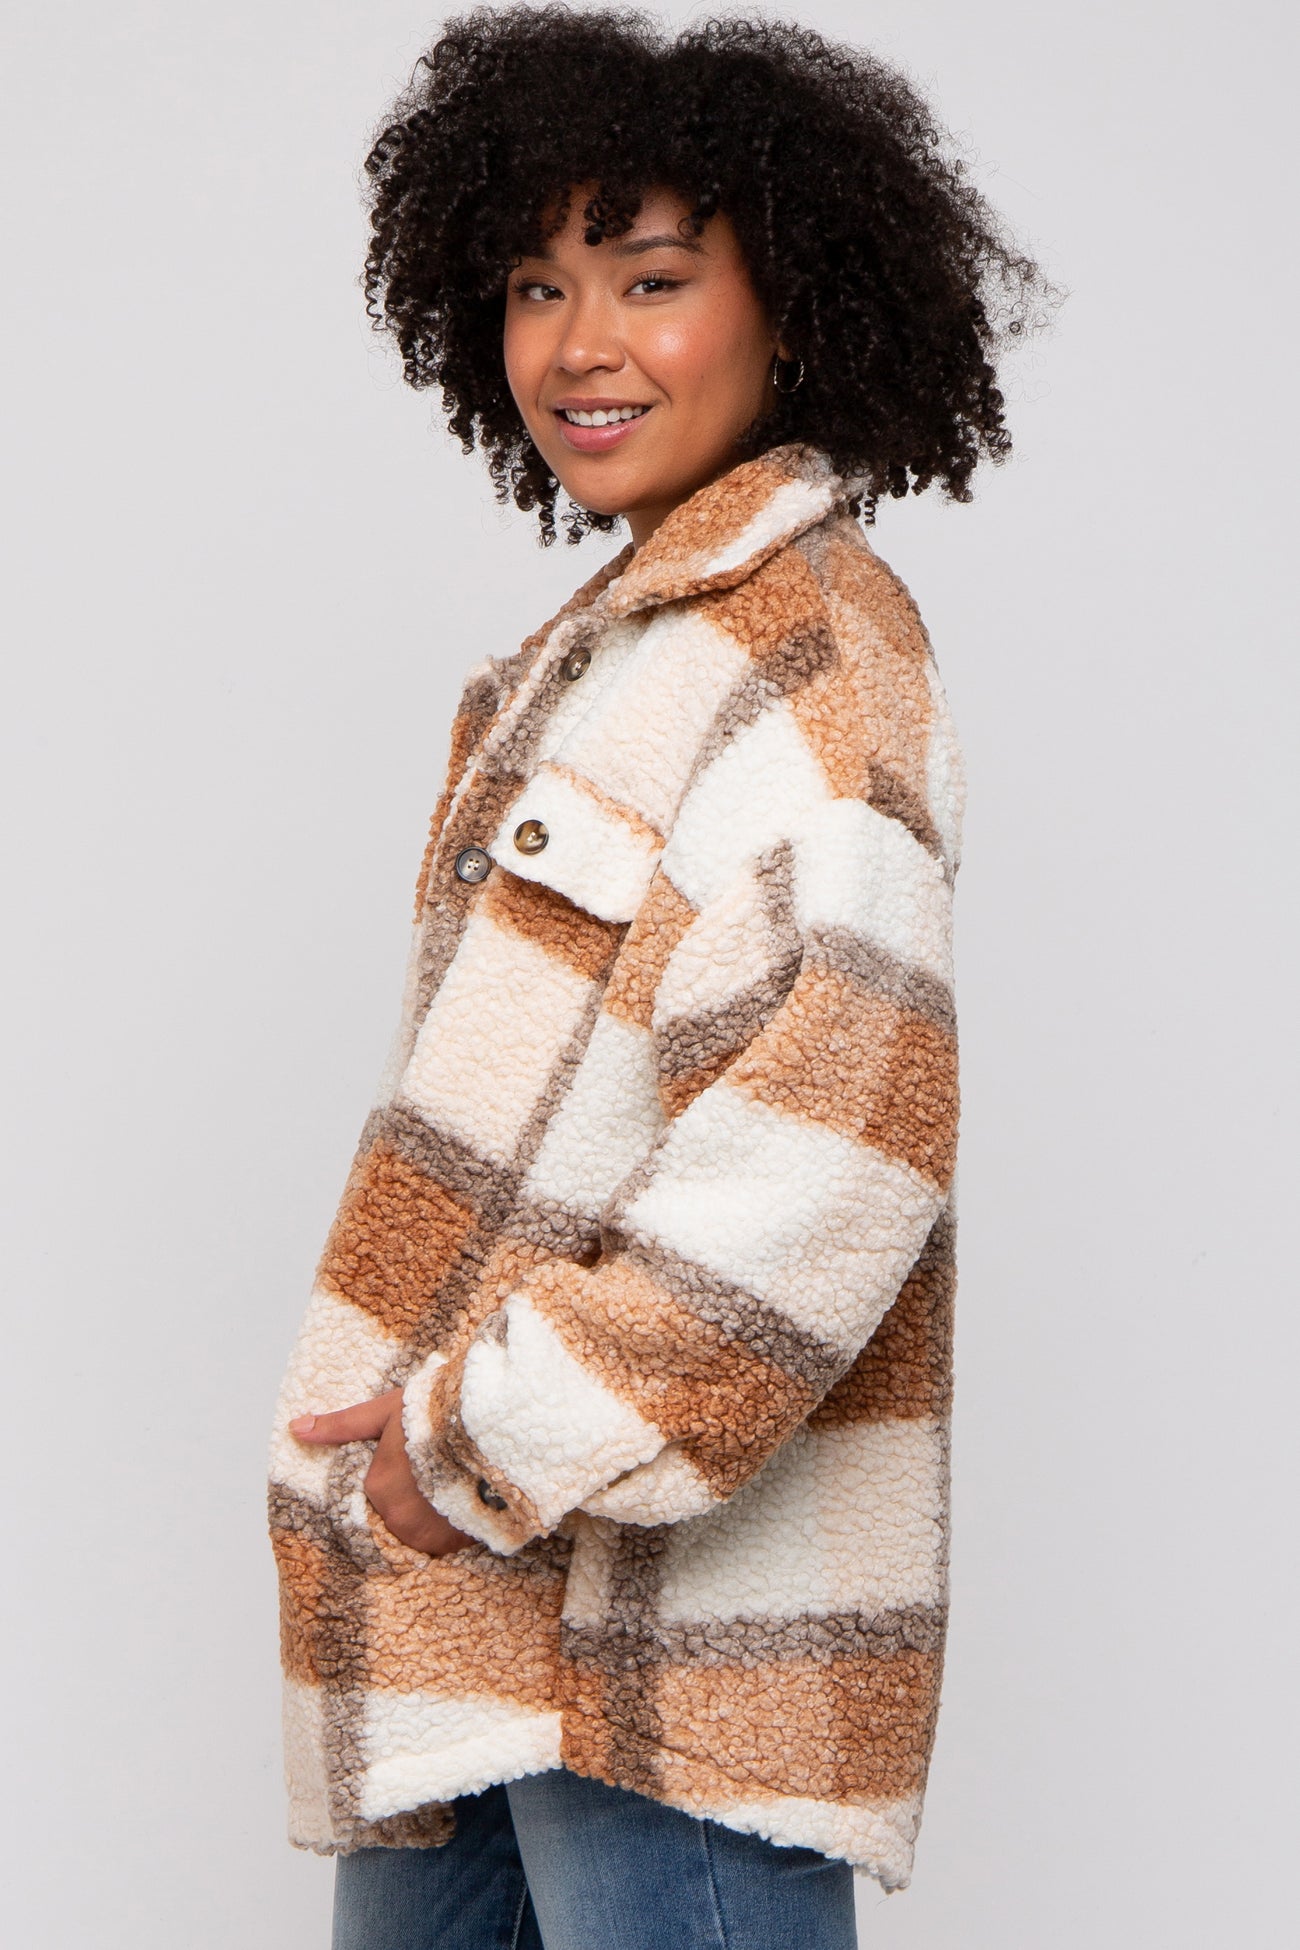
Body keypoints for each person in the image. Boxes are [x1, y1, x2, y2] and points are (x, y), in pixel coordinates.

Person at [268, 10, 1044, 1946]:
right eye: (538, 285)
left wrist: (485, 1442)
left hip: (675, 1664)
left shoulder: (810, 669)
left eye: (652, 278)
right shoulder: (626, 651)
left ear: (795, 309)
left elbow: (831, 1159)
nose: (577, 345)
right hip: (473, 1614)